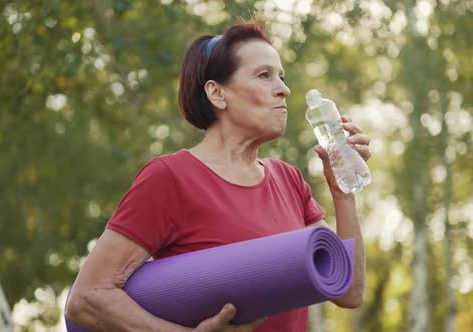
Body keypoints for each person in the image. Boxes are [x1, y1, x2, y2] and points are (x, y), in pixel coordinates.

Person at [65, 19, 370, 332]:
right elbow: (87, 297)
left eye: (282, 76)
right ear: (217, 93)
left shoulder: (289, 179)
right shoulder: (170, 178)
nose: (284, 89)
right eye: (264, 75)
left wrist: (343, 193)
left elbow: (349, 291)